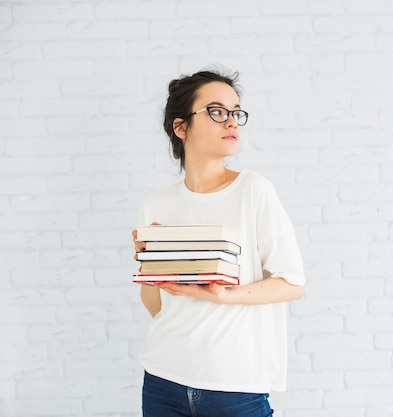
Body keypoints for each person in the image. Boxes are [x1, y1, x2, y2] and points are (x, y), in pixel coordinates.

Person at [132, 67, 306, 417]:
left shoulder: (252, 190)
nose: (231, 122)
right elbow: (157, 304)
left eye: (235, 112)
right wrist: (149, 267)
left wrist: (223, 295)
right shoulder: (157, 205)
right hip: (163, 380)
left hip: (234, 387)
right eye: (216, 111)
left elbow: (292, 283)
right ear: (181, 127)